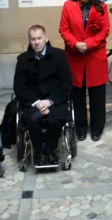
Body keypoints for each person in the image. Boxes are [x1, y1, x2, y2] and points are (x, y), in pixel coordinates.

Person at [59, 0, 110, 142]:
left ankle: (97, 128)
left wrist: (88, 44)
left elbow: (104, 31)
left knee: (97, 96)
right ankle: (80, 127)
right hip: (75, 57)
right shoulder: (68, 5)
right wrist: (75, 44)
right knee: (77, 96)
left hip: (95, 56)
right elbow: (63, 29)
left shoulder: (101, 7)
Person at [13, 25, 72, 166]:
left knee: (56, 117)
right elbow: (19, 87)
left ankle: (50, 150)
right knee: (33, 119)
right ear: (29, 40)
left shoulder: (59, 56)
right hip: (33, 102)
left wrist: (49, 101)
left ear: (46, 38)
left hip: (55, 100)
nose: (36, 42)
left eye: (39, 38)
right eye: (33, 39)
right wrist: (38, 102)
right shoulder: (23, 60)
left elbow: (66, 84)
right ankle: (38, 152)